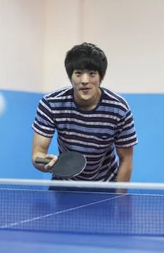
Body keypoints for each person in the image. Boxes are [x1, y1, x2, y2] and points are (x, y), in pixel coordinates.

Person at [31, 42, 138, 183]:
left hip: (104, 186)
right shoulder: (51, 104)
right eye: (78, 73)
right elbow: (38, 153)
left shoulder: (119, 109)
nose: (85, 81)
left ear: (101, 77)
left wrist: (120, 197)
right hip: (64, 184)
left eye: (92, 74)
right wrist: (46, 164)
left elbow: (126, 159)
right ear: (70, 77)